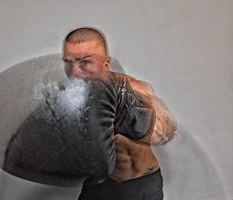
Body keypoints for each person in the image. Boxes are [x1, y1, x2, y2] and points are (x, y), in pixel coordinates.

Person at [62, 27, 177, 200]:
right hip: (100, 185)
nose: (74, 72)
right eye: (69, 63)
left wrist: (146, 123)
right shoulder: (74, 98)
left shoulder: (133, 89)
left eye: (84, 62)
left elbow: (164, 130)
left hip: (138, 186)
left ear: (105, 63)